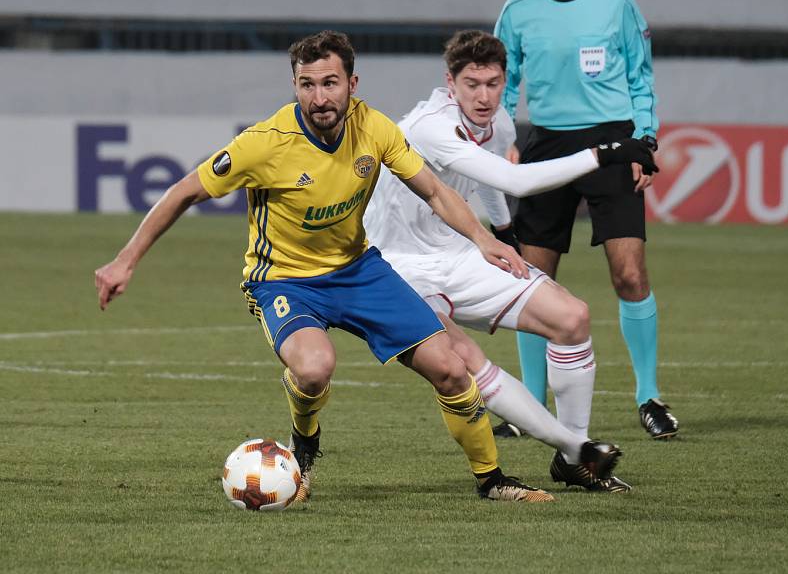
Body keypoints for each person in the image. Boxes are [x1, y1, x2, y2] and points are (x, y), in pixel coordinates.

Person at [93, 30, 581, 504]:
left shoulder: (375, 127)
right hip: (285, 279)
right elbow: (183, 191)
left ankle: (491, 479)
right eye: (308, 84)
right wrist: (124, 260)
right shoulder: (265, 143)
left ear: (352, 84)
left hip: (358, 270)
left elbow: (432, 190)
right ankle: (304, 439)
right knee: (314, 368)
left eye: (330, 83)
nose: (319, 96)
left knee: (452, 369)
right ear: (295, 87)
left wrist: (481, 239)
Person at [364, 30, 658, 492]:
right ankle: (576, 446)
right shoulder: (430, 126)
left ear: (505, 81)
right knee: (461, 358)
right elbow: (513, 179)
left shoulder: (498, 122)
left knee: (572, 317)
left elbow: (486, 184)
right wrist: (605, 153)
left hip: (458, 252)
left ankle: (573, 458)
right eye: (472, 84)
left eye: (494, 83)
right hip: (396, 266)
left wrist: (504, 234)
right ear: (450, 82)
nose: (484, 96)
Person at [493, 0, 679, 440]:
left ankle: (648, 396)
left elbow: (642, 79)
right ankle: (529, 404)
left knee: (629, 273)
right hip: (547, 145)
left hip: (613, 142)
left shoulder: (616, 4)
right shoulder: (518, 8)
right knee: (531, 282)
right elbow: (503, 84)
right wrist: (503, 140)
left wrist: (645, 142)